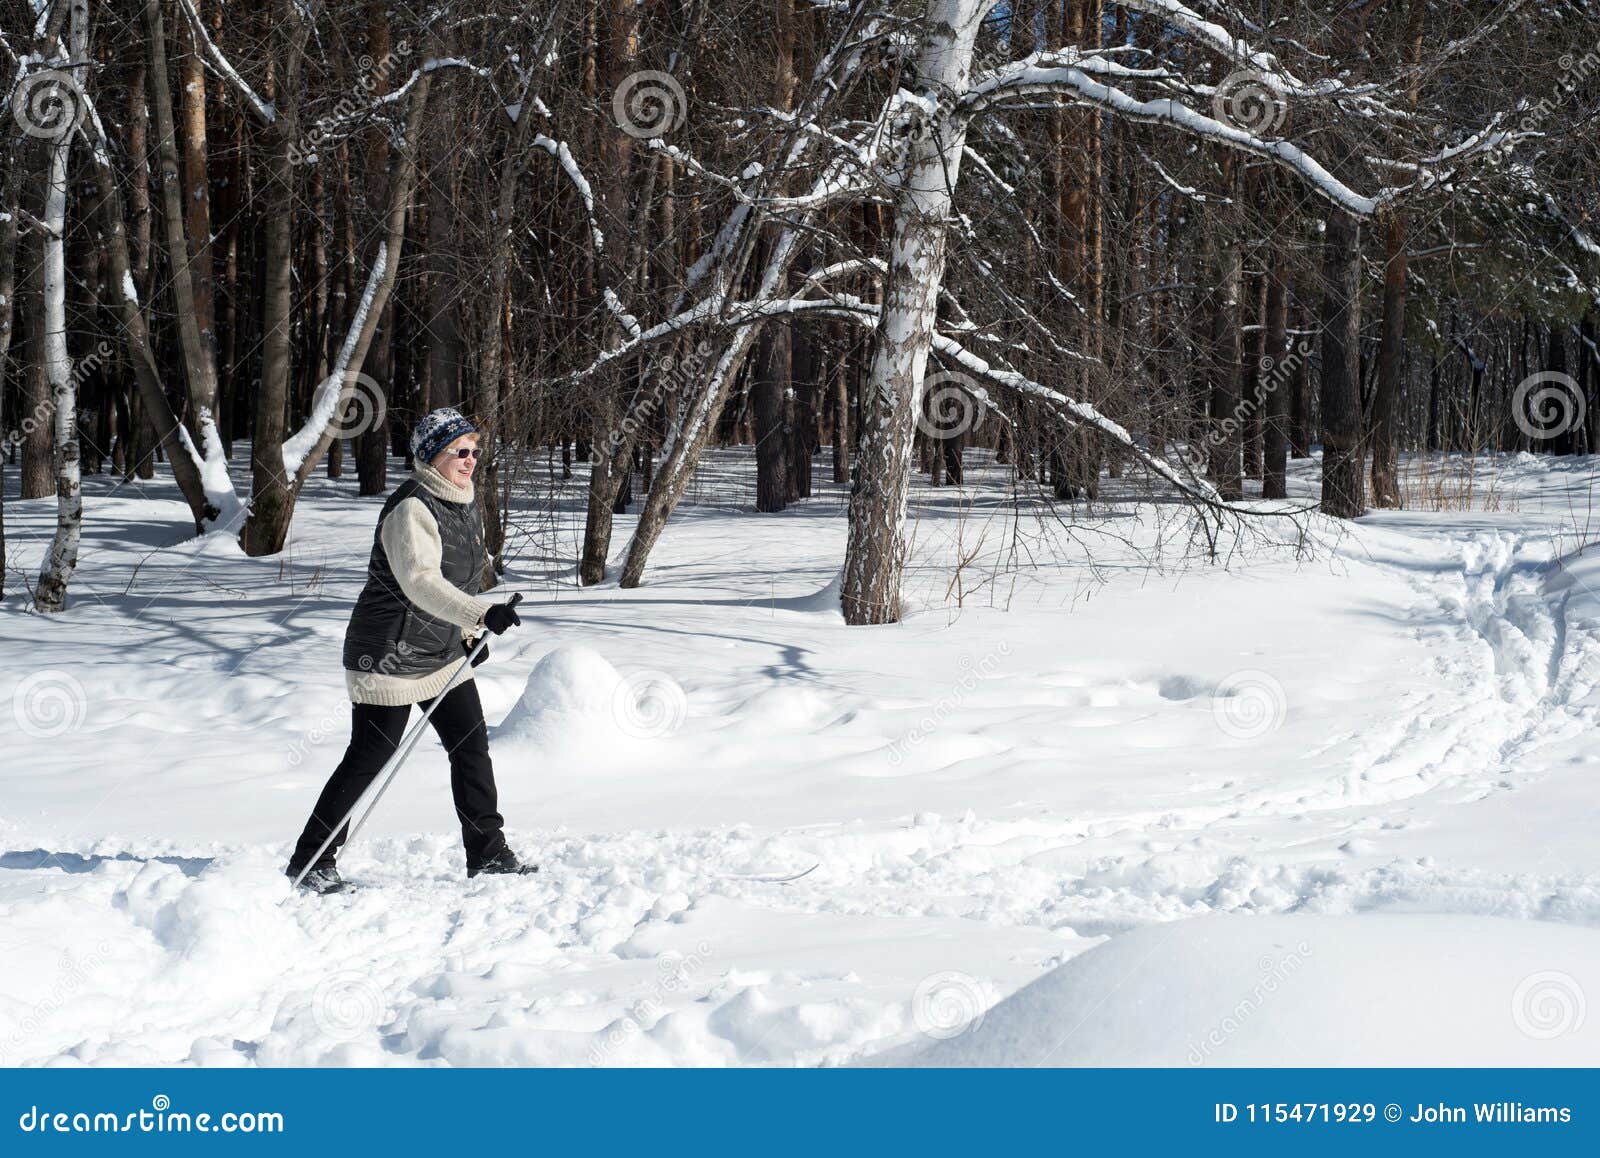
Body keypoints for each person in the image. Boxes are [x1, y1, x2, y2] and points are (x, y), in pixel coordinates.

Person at [285, 407, 536, 894]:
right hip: (387, 655)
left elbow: (456, 579)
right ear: (431, 457)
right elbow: (420, 583)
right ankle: (311, 859)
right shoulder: (411, 508)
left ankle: (488, 853)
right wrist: (480, 616)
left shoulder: (462, 501)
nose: (470, 461)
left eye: (474, 451)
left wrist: (465, 636)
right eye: (459, 452)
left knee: (471, 750)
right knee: (369, 756)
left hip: (439, 654)